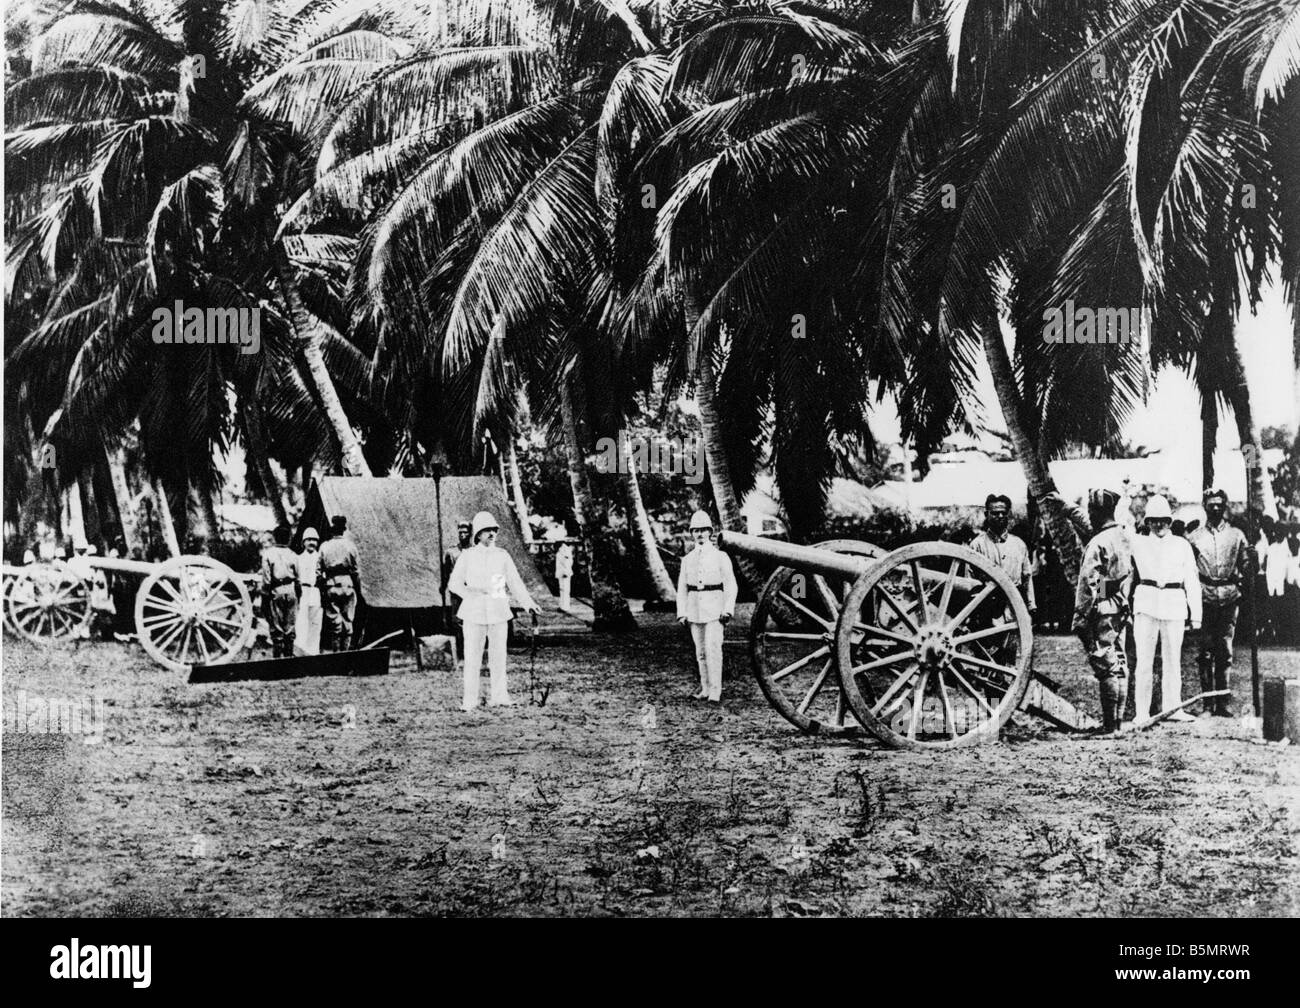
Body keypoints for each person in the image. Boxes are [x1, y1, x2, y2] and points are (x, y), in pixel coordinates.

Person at [447, 511, 540, 711]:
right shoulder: (468, 555)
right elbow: (454, 584)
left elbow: (515, 582)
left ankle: (500, 697)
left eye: (494, 530)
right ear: (478, 534)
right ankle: (469, 701)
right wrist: (470, 593)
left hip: (498, 610)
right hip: (474, 611)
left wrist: (528, 603)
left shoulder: (502, 555)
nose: (491, 534)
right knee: (472, 657)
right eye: (487, 530)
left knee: (499, 656)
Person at [1129, 495, 1201, 723]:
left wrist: (1196, 614)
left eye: (1163, 520)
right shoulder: (1138, 543)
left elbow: (1192, 579)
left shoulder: (1182, 546)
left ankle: (1173, 708)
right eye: (1153, 520)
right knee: (1144, 661)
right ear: (1147, 522)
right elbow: (1119, 525)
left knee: (1173, 660)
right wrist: (1125, 493)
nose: (1158, 524)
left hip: (1174, 604)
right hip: (1146, 604)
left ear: (1170, 521)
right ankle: (1142, 712)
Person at [1072, 488, 1135, 734]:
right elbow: (1129, 575)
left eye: (1091, 510)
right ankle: (1117, 723)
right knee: (1119, 661)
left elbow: (1088, 583)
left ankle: (1110, 726)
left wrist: (1081, 615)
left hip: (1102, 608)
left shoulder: (1098, 543)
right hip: (1121, 605)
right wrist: (1117, 591)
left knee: (1105, 663)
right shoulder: (1124, 537)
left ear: (1097, 512)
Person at [1187, 489, 1249, 716]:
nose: (1215, 508)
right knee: (1205, 651)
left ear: (1224, 507)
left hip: (1230, 596)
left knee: (1225, 650)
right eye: (1211, 504)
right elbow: (1188, 569)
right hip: (1204, 596)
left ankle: (1222, 702)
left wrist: (1251, 559)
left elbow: (1247, 567)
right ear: (1204, 506)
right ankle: (1207, 703)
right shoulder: (1193, 537)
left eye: (1219, 505)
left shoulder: (1237, 535)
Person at [676, 510, 738, 703]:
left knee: (713, 649)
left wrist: (727, 609)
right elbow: (682, 589)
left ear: (710, 532)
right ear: (692, 533)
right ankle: (704, 688)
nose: (700, 534)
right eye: (696, 531)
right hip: (695, 609)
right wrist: (682, 613)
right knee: (700, 652)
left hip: (714, 609)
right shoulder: (687, 560)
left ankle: (715, 691)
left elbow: (730, 585)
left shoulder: (721, 557)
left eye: (703, 530)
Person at [319, 515, 360, 652]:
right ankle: (346, 655)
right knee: (348, 621)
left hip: (331, 583)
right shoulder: (350, 546)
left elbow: (318, 571)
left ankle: (336, 656)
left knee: (335, 623)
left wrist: (323, 586)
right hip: (348, 584)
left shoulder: (325, 546)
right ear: (343, 530)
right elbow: (356, 570)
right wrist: (357, 587)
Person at [260, 525, 298, 657]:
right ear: (288, 539)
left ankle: (277, 661)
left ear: (275, 538)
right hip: (291, 590)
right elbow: (298, 578)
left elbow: (266, 580)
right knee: (290, 625)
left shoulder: (268, 555)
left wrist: (264, 596)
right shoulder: (293, 555)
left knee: (277, 626)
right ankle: (289, 658)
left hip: (276, 591)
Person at [293, 527, 323, 656]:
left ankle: (313, 653)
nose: (312, 543)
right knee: (301, 622)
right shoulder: (298, 558)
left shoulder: (320, 558)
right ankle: (300, 652)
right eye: (309, 540)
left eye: (314, 540)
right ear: (303, 542)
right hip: (303, 591)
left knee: (315, 623)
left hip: (315, 591)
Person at [443, 519, 472, 610]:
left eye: (465, 532)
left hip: (471, 590)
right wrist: (443, 587)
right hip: (456, 591)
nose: (462, 535)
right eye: (460, 532)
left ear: (470, 534)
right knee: (457, 619)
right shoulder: (451, 552)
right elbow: (446, 573)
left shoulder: (476, 551)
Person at [554, 540, 575, 611]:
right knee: (562, 589)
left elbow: (568, 562)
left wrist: (566, 572)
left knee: (565, 590)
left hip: (564, 573)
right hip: (561, 572)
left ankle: (565, 606)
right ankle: (562, 605)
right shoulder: (561, 548)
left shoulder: (565, 549)